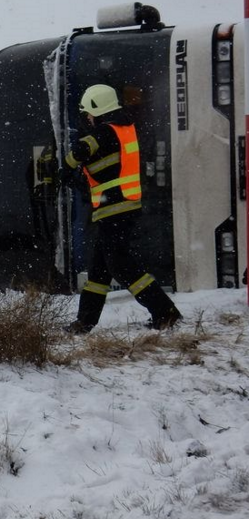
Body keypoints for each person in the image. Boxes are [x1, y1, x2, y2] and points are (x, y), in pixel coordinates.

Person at [62, 84, 182, 333]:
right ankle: (84, 322)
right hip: (118, 207)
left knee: (121, 266)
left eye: (89, 113)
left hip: (116, 209)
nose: (87, 118)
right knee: (99, 270)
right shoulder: (122, 128)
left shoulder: (106, 132)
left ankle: (165, 312)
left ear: (97, 109)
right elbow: (102, 170)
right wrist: (74, 177)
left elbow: (82, 150)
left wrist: (66, 163)